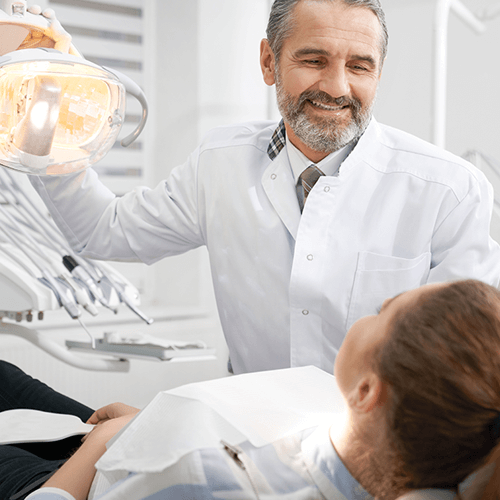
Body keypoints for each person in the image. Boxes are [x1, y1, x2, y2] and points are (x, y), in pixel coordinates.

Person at [28, 0, 500, 375]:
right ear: (269, 61)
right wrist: (46, 112)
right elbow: (102, 232)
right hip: (252, 448)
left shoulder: (448, 191)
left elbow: (463, 366)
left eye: (360, 66)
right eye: (314, 60)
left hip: (385, 453)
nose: (337, 87)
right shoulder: (220, 163)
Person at [1, 279, 500, 500]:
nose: (373, 307)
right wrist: (154, 431)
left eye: (385, 312)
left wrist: (104, 444)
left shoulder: (208, 483)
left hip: (74, 478)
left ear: (368, 392)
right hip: (138, 445)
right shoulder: (409, 456)